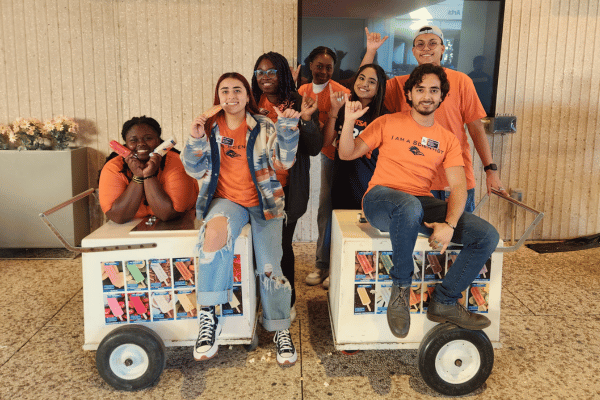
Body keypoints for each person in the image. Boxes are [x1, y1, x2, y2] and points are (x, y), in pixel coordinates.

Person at [338, 64, 499, 338]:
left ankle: (445, 301)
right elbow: (347, 153)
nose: (427, 96)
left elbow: (458, 186)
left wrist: (449, 223)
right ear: (409, 94)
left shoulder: (448, 139)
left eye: (434, 91)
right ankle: (401, 290)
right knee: (408, 205)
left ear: (441, 97)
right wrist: (349, 121)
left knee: (486, 235)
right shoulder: (388, 122)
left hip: (420, 202)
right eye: (420, 89)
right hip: (380, 199)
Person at [181, 72, 302, 366]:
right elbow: (194, 170)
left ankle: (279, 327)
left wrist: (287, 128)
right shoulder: (209, 127)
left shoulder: (263, 126)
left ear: (248, 96)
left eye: (238, 90)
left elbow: (284, 162)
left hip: (265, 202)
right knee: (213, 235)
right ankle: (209, 317)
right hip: (226, 201)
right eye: (225, 90)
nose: (231, 96)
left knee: (271, 266)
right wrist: (195, 136)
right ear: (218, 96)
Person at [362, 25, 507, 211]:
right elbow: (364, 88)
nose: (426, 48)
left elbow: (476, 128)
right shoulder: (399, 84)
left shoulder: (462, 81)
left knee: (455, 236)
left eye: (433, 43)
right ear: (413, 51)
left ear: (442, 48)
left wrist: (491, 171)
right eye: (420, 44)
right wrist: (371, 51)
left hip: (454, 183)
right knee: (413, 238)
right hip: (411, 183)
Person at [251, 51, 322, 319]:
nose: (265, 77)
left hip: (286, 192)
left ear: (283, 74)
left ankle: (286, 303)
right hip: (253, 191)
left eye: (272, 71)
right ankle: (263, 300)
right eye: (260, 72)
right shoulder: (249, 103)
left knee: (280, 247)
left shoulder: (297, 102)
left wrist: (305, 121)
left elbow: (314, 148)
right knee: (258, 249)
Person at [299, 46, 351, 288]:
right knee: (323, 208)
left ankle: (331, 266)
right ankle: (322, 265)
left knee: (331, 206)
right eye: (319, 66)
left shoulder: (342, 93)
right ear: (310, 65)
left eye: (329, 67)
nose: (323, 71)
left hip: (339, 156)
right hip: (316, 154)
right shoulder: (302, 91)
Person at [99, 116, 199, 224]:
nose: (141, 143)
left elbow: (167, 214)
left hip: (179, 225)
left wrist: (148, 175)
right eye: (133, 140)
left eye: (148, 138)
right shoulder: (113, 167)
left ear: (159, 141)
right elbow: (118, 216)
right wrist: (137, 176)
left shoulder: (176, 162)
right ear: (126, 145)